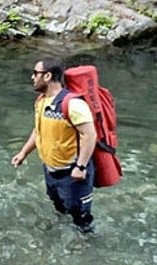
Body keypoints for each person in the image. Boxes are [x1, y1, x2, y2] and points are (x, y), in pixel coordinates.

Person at [11, 59, 97, 233]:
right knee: (59, 207)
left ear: (48, 76)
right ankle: (63, 233)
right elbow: (38, 131)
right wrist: (23, 153)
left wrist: (80, 166)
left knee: (81, 218)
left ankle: (87, 246)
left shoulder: (73, 104)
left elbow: (89, 135)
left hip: (73, 174)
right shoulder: (41, 101)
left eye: (36, 73)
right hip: (51, 171)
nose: (32, 77)